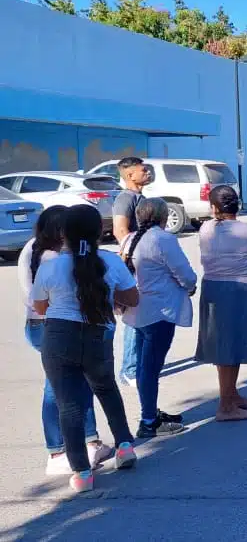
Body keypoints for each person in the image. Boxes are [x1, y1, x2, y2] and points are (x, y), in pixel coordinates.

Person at [32, 204, 139, 493]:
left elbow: (39, 307)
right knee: (106, 389)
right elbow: (133, 297)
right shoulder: (110, 262)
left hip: (58, 336)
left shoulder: (50, 265)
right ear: (98, 232)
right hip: (98, 334)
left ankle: (81, 473)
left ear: (63, 232)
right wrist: (108, 295)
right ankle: (125, 446)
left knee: (69, 404)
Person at [19, 206, 114, 476]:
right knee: (61, 388)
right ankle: (59, 449)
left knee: (72, 384)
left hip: (43, 324)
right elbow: (38, 300)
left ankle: (87, 440)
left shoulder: (36, 250)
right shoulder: (52, 258)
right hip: (50, 325)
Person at [195, 185, 247, 422]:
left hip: (213, 288)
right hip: (241, 288)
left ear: (213, 207)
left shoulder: (206, 228)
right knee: (232, 345)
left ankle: (231, 395)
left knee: (225, 345)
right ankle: (225, 405)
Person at [121, 198, 197, 438]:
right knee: (150, 368)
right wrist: (190, 286)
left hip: (138, 311)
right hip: (160, 311)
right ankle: (149, 421)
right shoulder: (163, 239)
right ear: (164, 217)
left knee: (146, 367)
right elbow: (185, 274)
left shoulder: (130, 239)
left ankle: (150, 412)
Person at [112, 156, 151, 387]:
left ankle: (138, 364)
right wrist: (135, 257)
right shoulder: (125, 199)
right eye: (143, 170)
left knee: (143, 315)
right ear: (129, 175)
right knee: (134, 317)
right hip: (135, 265)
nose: (147, 173)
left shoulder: (140, 197)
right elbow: (121, 231)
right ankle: (129, 369)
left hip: (145, 263)